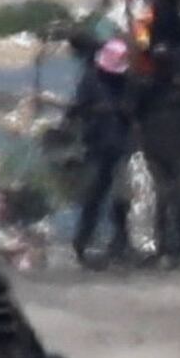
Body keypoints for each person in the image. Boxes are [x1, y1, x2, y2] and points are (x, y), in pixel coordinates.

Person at [66, 29, 142, 263]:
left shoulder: (128, 82)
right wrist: (91, 112)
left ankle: (121, 243)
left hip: (122, 146)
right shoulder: (91, 79)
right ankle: (82, 242)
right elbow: (77, 109)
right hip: (97, 146)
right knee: (93, 196)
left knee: (121, 199)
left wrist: (120, 109)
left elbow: (135, 108)